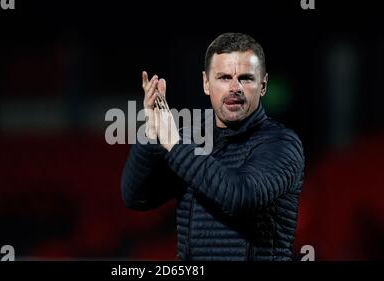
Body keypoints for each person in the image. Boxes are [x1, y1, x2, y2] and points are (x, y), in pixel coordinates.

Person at [121, 33, 305, 261]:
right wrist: (151, 133)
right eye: (224, 77)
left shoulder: (282, 144)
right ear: (206, 83)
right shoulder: (191, 141)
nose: (235, 87)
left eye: (246, 78)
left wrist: (174, 144)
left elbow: (239, 196)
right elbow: (136, 197)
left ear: (263, 85)